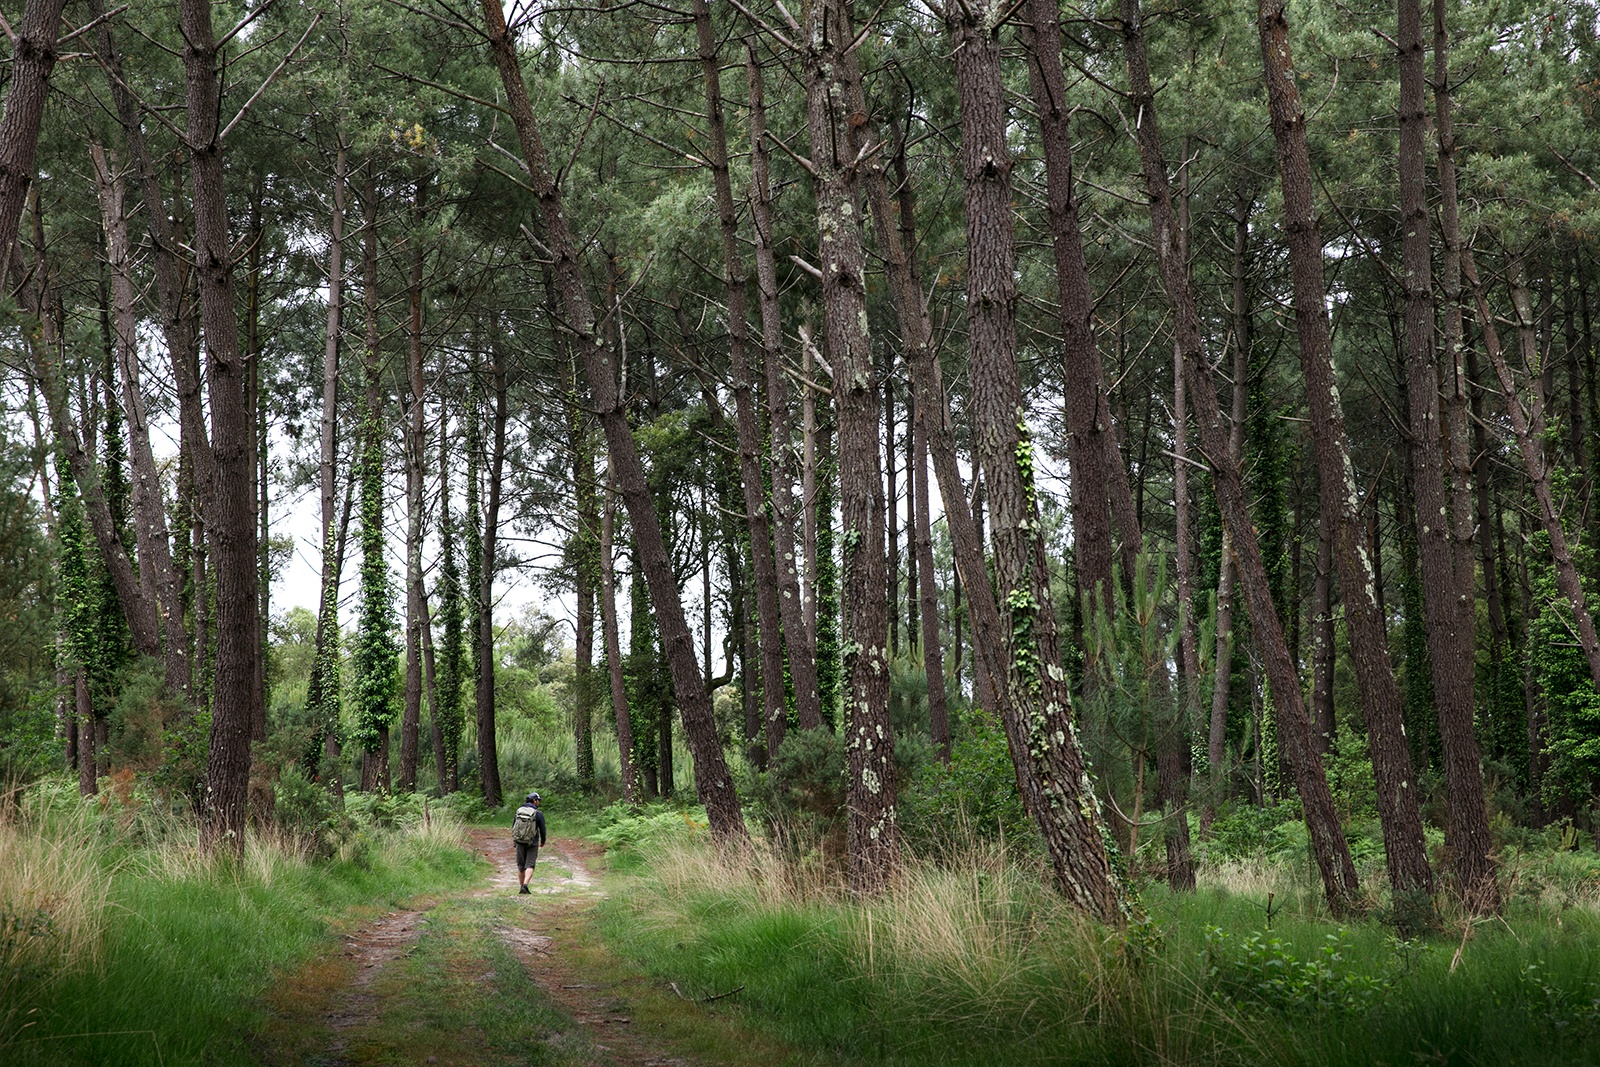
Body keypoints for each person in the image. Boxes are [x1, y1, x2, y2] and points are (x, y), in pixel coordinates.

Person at [511, 791, 546, 894]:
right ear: (534, 801)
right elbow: (542, 829)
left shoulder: (519, 811)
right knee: (530, 865)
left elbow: (514, 826)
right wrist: (543, 840)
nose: (538, 802)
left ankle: (521, 887)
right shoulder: (538, 813)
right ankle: (525, 885)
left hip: (519, 841)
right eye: (538, 800)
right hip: (532, 842)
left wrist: (515, 840)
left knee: (521, 866)